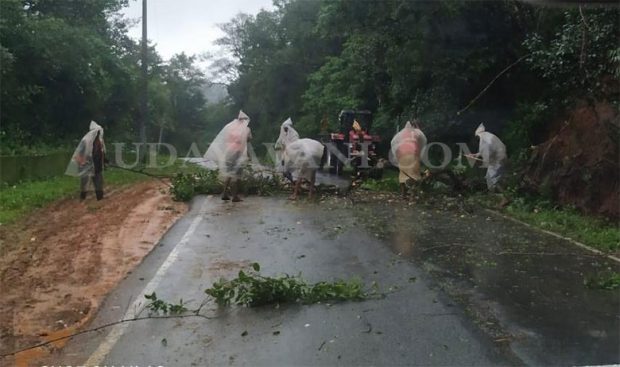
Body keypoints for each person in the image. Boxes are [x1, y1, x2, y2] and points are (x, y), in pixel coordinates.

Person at [204, 110, 252, 202]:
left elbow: (225, 139)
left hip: (228, 152)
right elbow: (248, 139)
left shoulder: (229, 128)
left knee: (229, 174)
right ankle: (235, 196)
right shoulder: (246, 129)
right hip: (238, 153)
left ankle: (225, 193)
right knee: (237, 175)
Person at [275, 118, 326, 200]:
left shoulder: (294, 137)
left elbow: (290, 152)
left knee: (300, 174)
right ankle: (310, 194)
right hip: (317, 149)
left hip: (309, 152)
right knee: (313, 173)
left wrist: (286, 161)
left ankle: (295, 194)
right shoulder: (296, 138)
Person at [65, 121, 106, 200]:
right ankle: (82, 198)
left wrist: (104, 160)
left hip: (97, 166)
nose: (97, 134)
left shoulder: (100, 141)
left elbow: (102, 152)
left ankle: (100, 198)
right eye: (96, 132)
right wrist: (84, 162)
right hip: (87, 166)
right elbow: (79, 154)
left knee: (99, 183)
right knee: (84, 183)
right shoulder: (86, 141)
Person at [390, 120, 427, 197]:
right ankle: (413, 195)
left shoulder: (400, 134)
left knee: (403, 174)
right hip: (413, 154)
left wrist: (397, 156)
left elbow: (393, 143)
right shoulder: (418, 133)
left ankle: (403, 194)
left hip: (402, 155)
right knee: (414, 175)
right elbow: (423, 142)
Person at [472, 123, 507, 191]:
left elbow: (486, 148)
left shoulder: (483, 138)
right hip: (502, 158)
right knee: (499, 177)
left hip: (497, 160)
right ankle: (505, 193)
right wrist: (476, 155)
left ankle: (497, 194)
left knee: (491, 178)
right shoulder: (489, 135)